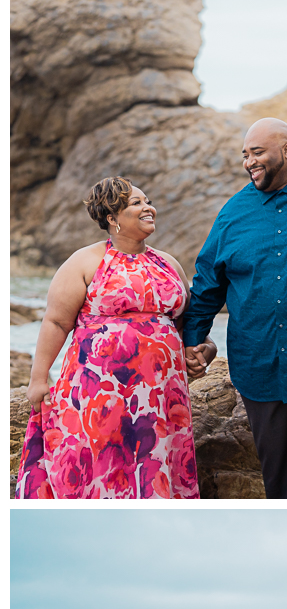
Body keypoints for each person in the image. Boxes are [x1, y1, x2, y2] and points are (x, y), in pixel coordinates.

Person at [182, 117, 287, 499]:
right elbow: (209, 280)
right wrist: (193, 340)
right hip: (260, 370)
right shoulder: (233, 213)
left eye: (257, 152)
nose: (249, 162)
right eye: (245, 155)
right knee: (281, 488)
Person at [15, 176, 212, 499]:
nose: (148, 208)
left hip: (160, 396)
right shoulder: (85, 261)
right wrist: (38, 379)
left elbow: (185, 327)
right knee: (99, 461)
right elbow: (55, 322)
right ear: (111, 217)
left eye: (147, 201)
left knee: (155, 463)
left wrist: (203, 350)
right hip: (100, 393)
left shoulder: (168, 264)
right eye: (137, 203)